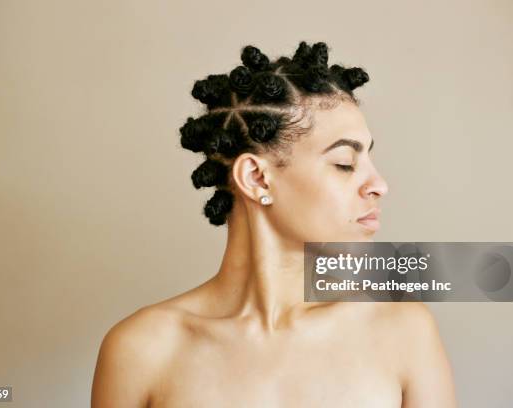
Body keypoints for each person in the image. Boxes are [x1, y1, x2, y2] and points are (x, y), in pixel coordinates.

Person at [91, 40, 457, 407]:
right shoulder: (142, 351)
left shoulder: (404, 332)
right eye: (345, 163)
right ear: (257, 178)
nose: (379, 185)